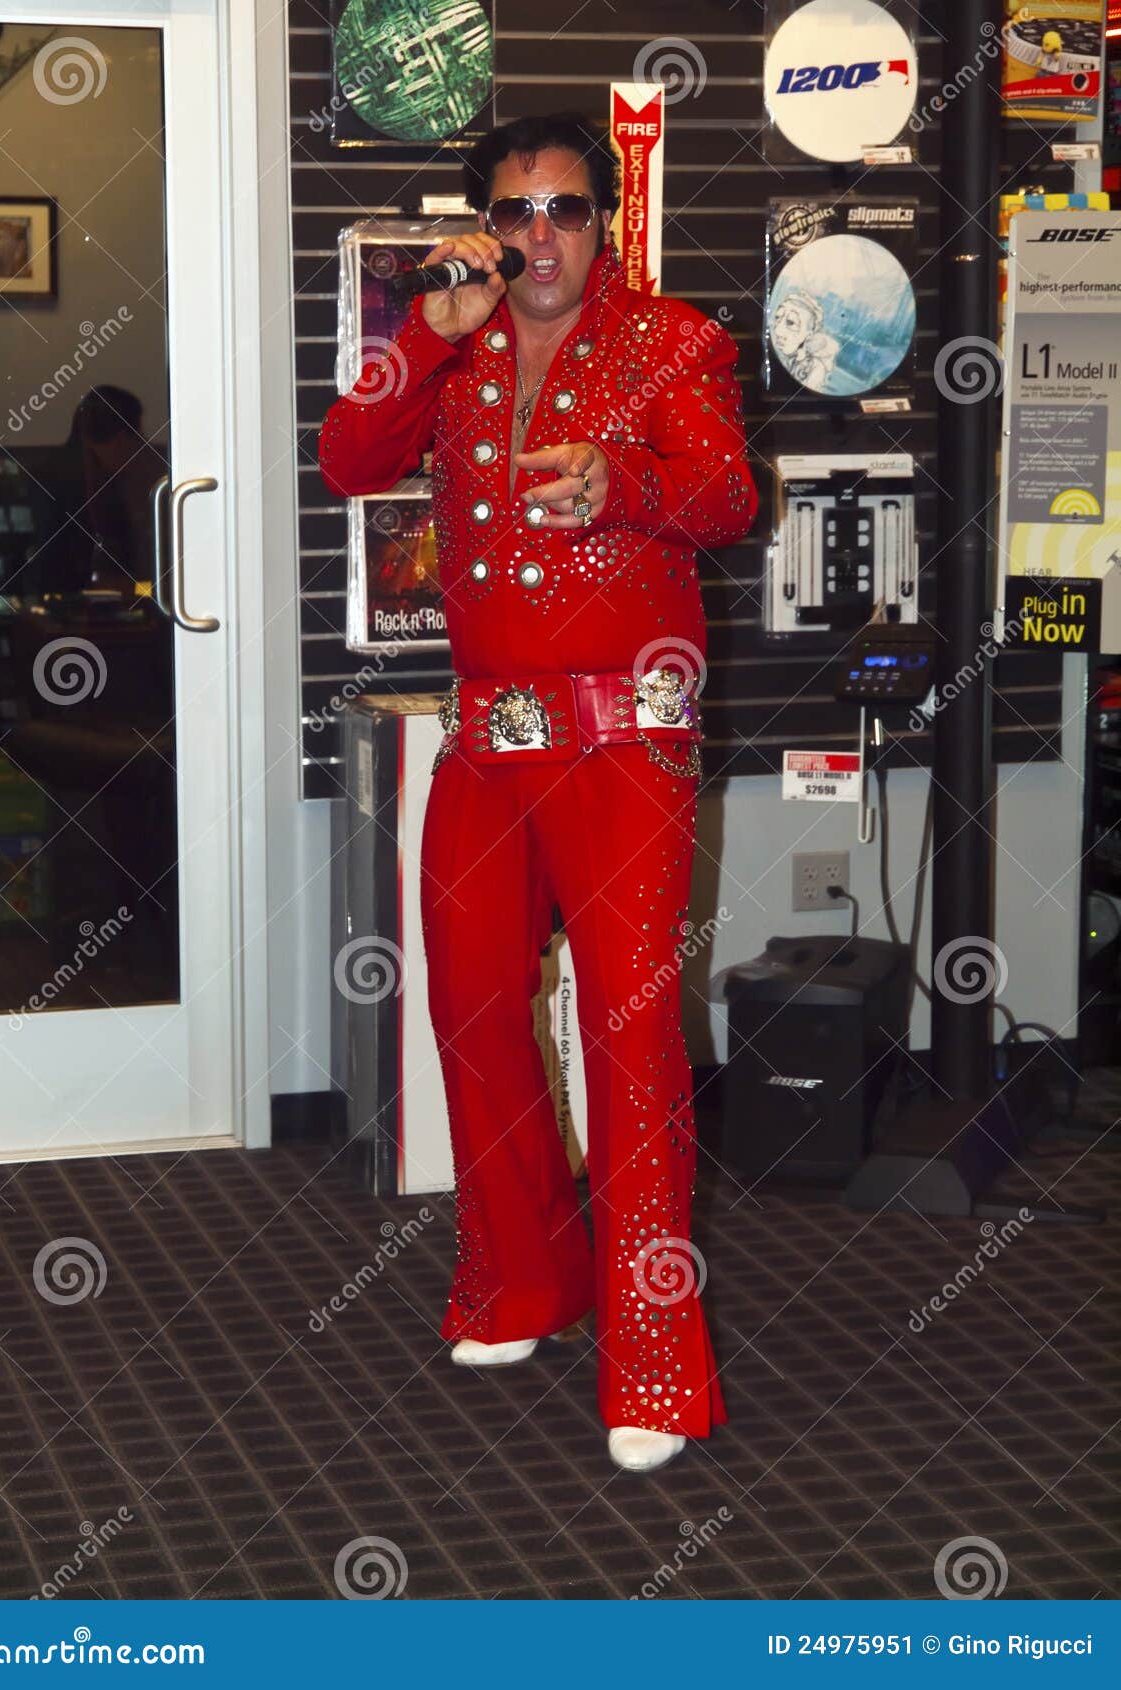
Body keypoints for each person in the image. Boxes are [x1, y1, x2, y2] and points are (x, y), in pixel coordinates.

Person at [318, 111, 757, 1473]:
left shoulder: (671, 342)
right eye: (516, 212)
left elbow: (729, 496)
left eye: (567, 208)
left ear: (604, 220)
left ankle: (656, 1363)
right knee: (469, 1010)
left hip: (625, 746)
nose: (542, 235)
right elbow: (349, 459)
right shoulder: (451, 348)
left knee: (630, 1040)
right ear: (487, 229)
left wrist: (623, 485)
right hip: (486, 746)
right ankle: (523, 1282)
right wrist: (423, 332)